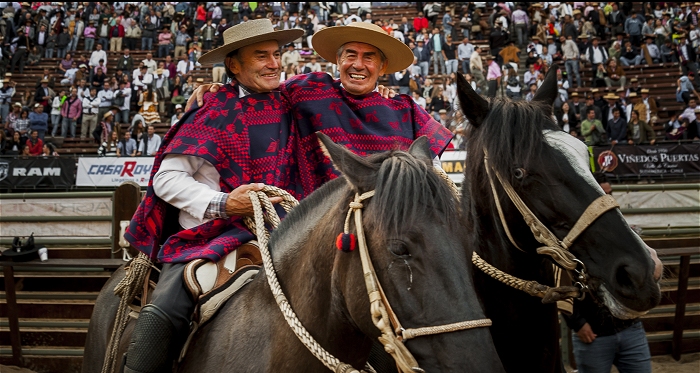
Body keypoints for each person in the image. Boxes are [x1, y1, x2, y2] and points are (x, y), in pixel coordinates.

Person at [125, 19, 451, 373]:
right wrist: (224, 202)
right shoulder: (214, 108)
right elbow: (167, 179)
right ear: (235, 65)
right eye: (260, 56)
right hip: (213, 235)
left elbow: (354, 100)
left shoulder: (295, 98)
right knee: (166, 309)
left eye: (277, 54)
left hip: (287, 231)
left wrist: (378, 94)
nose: (274, 63)